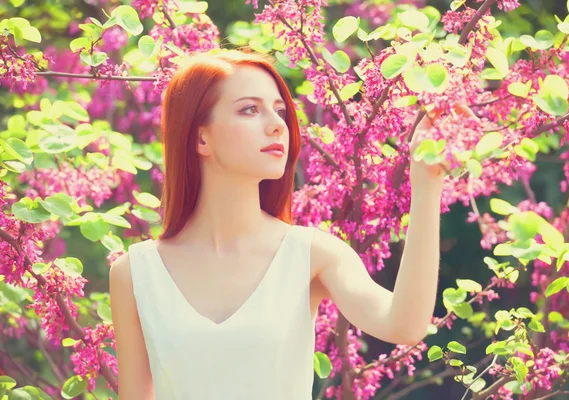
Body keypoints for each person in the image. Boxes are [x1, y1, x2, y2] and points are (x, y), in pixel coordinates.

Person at [109, 47, 446, 399]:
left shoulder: (313, 255)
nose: (276, 125)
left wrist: (426, 182)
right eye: (250, 109)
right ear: (200, 138)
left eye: (280, 111)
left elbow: (405, 324)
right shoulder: (135, 273)